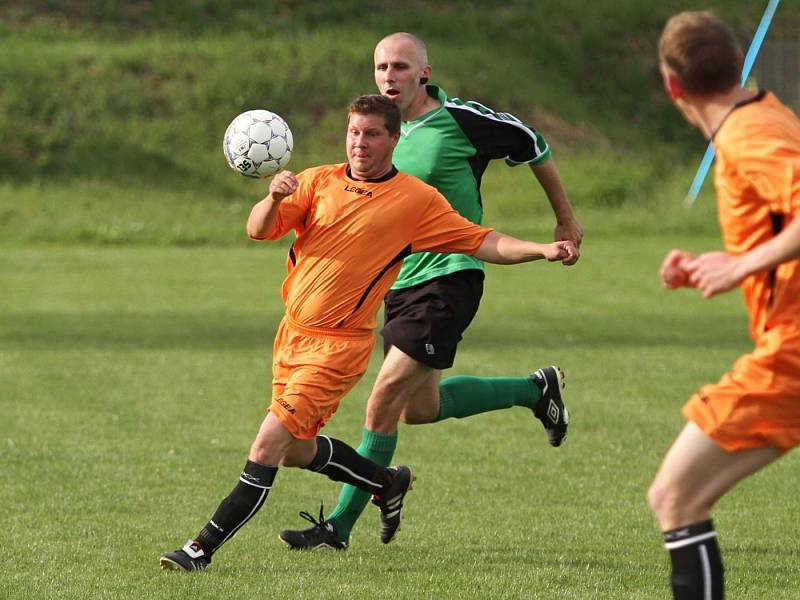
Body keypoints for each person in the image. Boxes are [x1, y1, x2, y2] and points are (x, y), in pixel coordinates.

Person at [159, 94, 579, 571]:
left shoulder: (415, 201)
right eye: (354, 132)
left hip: (338, 347)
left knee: (267, 445)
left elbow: (481, 240)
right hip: (292, 338)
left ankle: (199, 549)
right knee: (297, 449)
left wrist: (541, 249)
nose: (360, 143)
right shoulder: (318, 181)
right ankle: (383, 483)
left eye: (372, 134)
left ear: (394, 140)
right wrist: (273, 197)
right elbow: (259, 229)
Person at [279, 32, 583, 550]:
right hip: (399, 282)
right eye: (380, 67)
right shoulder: (383, 132)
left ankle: (340, 528)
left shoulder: (462, 120)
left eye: (400, 66)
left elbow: (535, 145)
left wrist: (564, 220)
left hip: (452, 275)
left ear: (425, 72)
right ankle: (535, 390)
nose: (389, 76)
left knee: (381, 402)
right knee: (420, 408)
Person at [646, 10, 800, 599]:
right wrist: (725, 263)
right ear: (738, 63)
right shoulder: (764, 111)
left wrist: (739, 264)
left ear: (672, 85)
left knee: (676, 495)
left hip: (792, 353)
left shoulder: (746, 133)